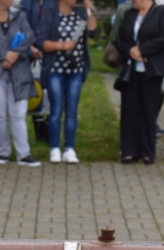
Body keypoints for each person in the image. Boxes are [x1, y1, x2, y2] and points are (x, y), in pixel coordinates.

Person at [35, 0, 98, 163]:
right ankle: (54, 148)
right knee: (56, 110)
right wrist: (61, 45)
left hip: (75, 70)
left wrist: (89, 10)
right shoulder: (50, 14)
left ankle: (69, 148)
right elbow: (41, 42)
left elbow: (93, 32)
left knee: (71, 111)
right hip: (55, 70)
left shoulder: (80, 14)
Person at [115, 0, 164, 163]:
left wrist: (143, 50)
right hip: (131, 70)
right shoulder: (129, 14)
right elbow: (118, 39)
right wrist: (130, 51)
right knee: (129, 109)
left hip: (151, 70)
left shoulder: (162, 12)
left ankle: (147, 151)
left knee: (148, 110)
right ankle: (129, 150)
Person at [0, 0, 41, 166]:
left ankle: (24, 154)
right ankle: (3, 153)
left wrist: (14, 55)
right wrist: (4, 55)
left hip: (19, 72)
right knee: (0, 115)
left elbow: (29, 36)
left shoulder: (19, 15)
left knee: (19, 114)